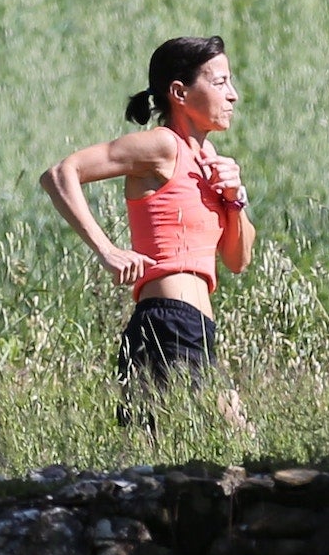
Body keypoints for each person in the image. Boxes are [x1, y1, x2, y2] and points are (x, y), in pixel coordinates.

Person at [41, 34, 251, 416]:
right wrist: (106, 249)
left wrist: (234, 199)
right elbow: (59, 174)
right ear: (179, 93)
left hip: (195, 329)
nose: (233, 95)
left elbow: (237, 261)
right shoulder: (163, 146)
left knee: (196, 451)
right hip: (168, 324)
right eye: (220, 82)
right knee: (214, 444)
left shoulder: (210, 160)